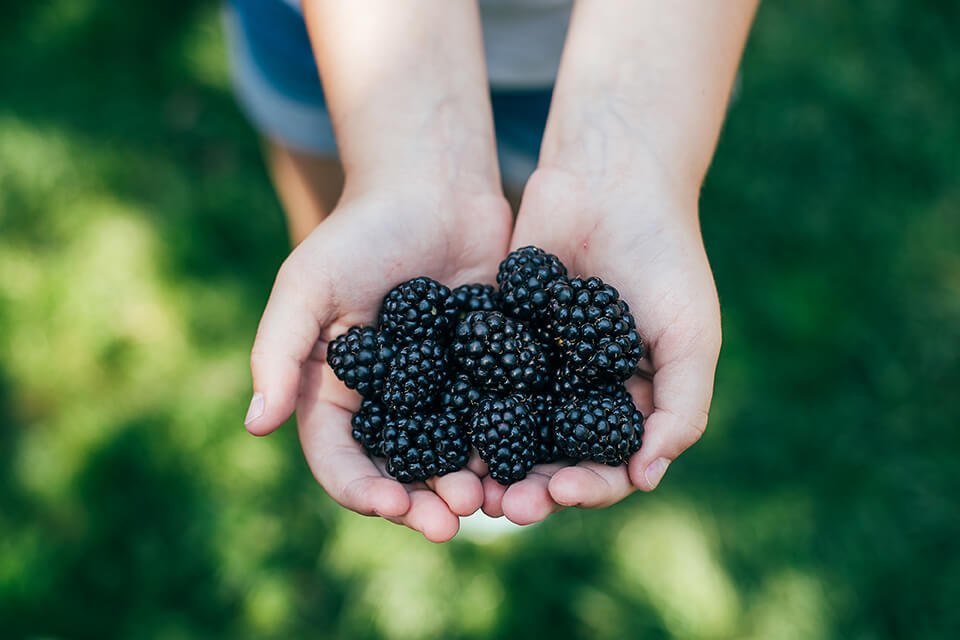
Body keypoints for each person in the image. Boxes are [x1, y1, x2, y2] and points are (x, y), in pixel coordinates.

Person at [230, 0, 757, 542]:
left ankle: (486, 485)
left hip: (600, 57)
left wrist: (630, 172)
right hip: (342, 34)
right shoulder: (464, 358)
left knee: (522, 210)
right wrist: (397, 177)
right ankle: (483, 482)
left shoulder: (508, 351)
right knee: (330, 205)